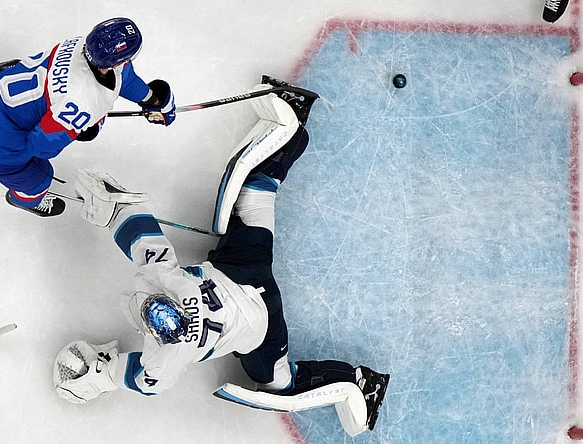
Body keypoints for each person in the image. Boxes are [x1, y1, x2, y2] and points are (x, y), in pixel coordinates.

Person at [52, 79, 390, 436]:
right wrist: (110, 208)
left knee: (281, 384)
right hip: (242, 269)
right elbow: (146, 241)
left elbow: (139, 378)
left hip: (259, 320)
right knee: (253, 194)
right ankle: (292, 124)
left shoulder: (165, 352)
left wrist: (98, 377)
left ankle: (358, 383)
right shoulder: (165, 284)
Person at [0, 17, 177, 217]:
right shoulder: (83, 101)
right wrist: (80, 127)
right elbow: (40, 147)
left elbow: (122, 76)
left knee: (30, 81)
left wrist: (152, 99)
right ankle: (24, 199)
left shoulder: (81, 44)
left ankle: (2, 72)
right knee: (40, 177)